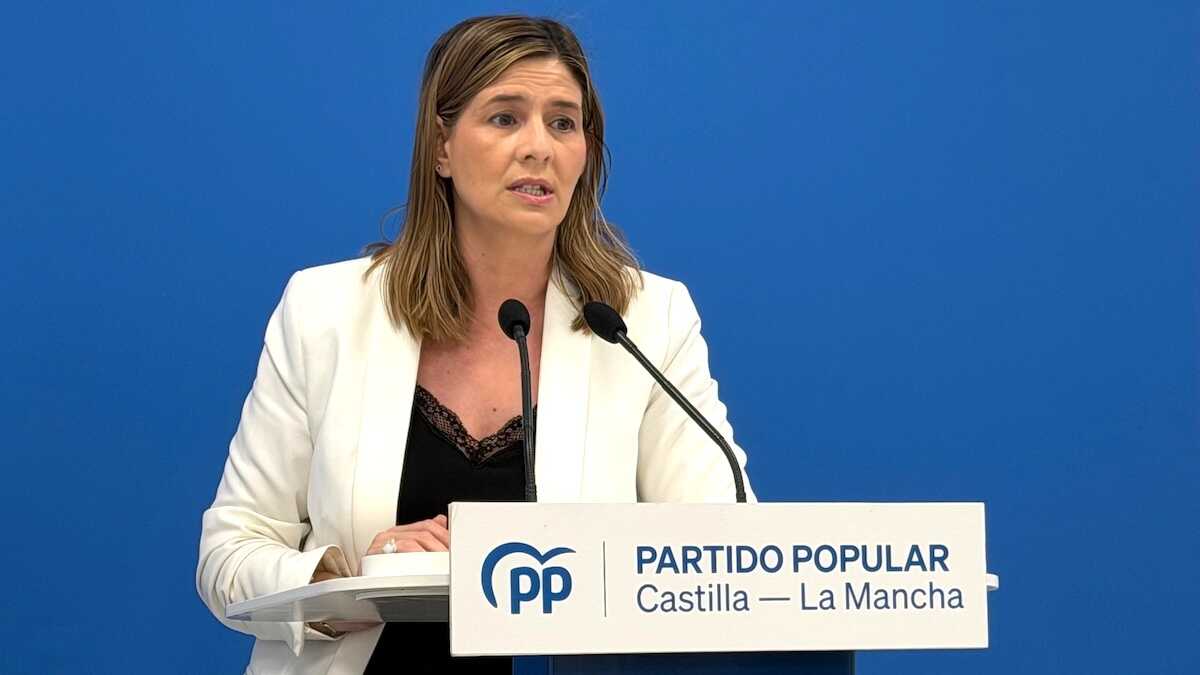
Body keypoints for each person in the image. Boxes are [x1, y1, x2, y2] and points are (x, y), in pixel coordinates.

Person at [196, 14, 755, 674]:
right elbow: (229, 553)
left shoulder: (645, 320)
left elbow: (718, 554)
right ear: (441, 146)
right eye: (504, 118)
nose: (538, 147)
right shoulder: (327, 311)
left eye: (563, 122)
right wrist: (346, 582)